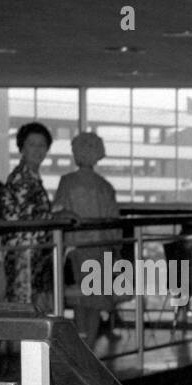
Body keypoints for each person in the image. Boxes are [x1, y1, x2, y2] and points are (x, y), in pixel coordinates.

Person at [54, 131, 121, 340]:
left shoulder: (67, 182)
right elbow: (114, 223)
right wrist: (116, 251)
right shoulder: (105, 186)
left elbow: (57, 212)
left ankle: (82, 343)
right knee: (95, 301)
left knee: (79, 300)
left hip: (75, 249)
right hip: (101, 249)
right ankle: (89, 344)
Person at [2, 121, 65, 310]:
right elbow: (28, 218)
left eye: (42, 145)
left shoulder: (31, 177)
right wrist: (57, 216)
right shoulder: (22, 178)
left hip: (33, 254)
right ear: (22, 148)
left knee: (31, 306)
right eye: (32, 144)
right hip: (24, 255)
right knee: (25, 307)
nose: (37, 150)